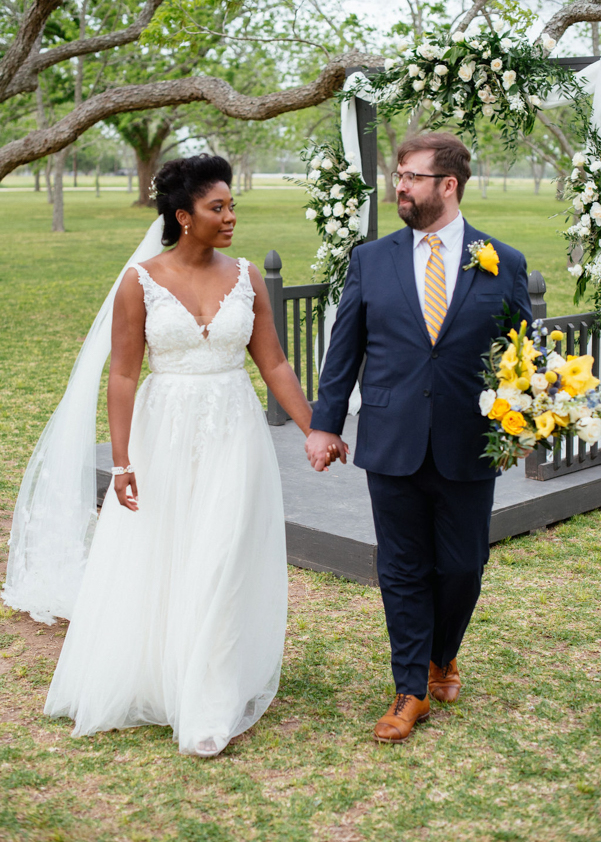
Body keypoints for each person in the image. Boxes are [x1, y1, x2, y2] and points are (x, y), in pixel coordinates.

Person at [43, 154, 318, 757]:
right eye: (217, 208)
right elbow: (121, 375)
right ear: (182, 216)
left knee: (221, 555)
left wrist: (312, 428)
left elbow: (272, 362)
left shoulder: (245, 276)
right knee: (170, 551)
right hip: (162, 431)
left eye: (231, 206)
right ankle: (159, 675)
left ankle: (208, 701)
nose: (230, 217)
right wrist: (121, 462)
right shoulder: (140, 281)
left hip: (232, 433)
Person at [305, 132, 532, 743]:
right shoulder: (370, 260)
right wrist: (326, 423)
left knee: (463, 566)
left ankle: (442, 653)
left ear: (448, 185)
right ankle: (410, 689)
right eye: (398, 175)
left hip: (470, 442)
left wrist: (531, 414)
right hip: (392, 437)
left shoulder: (503, 262)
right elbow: (345, 349)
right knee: (402, 569)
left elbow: (522, 355)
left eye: (411, 176)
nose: (399, 186)